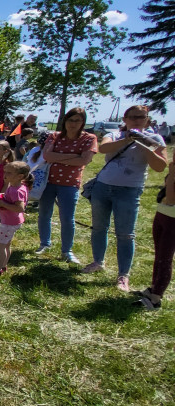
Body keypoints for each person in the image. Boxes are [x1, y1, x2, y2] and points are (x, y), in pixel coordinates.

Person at [82, 105, 168, 291]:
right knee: (99, 227)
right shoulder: (115, 135)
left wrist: (144, 143)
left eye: (141, 117)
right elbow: (104, 148)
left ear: (147, 119)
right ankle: (98, 261)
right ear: (125, 119)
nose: (137, 120)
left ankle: (123, 275)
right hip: (103, 188)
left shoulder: (155, 139)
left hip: (129, 190)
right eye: (133, 117)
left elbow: (160, 167)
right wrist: (128, 138)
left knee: (126, 234)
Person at [36, 107, 98, 264]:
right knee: (44, 213)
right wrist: (74, 156)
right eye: (70, 120)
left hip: (70, 184)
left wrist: (58, 158)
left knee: (67, 218)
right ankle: (44, 243)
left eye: (77, 120)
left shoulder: (89, 138)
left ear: (83, 122)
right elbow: (47, 155)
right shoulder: (54, 136)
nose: (73, 124)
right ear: (65, 121)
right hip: (48, 182)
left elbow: (84, 160)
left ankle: (67, 250)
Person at [135, 157, 175, 310]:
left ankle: (156, 298)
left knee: (165, 258)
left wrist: (172, 174)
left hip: (172, 219)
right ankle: (152, 288)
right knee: (158, 254)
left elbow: (171, 199)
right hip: (162, 215)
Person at [0, 161, 33, 275]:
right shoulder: (16, 185)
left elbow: (20, 208)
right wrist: (3, 198)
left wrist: (3, 204)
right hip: (11, 221)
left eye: (9, 173)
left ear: (20, 176)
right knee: (6, 244)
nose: (5, 174)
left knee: (1, 245)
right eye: (5, 171)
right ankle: (3, 265)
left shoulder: (17, 190)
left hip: (9, 223)